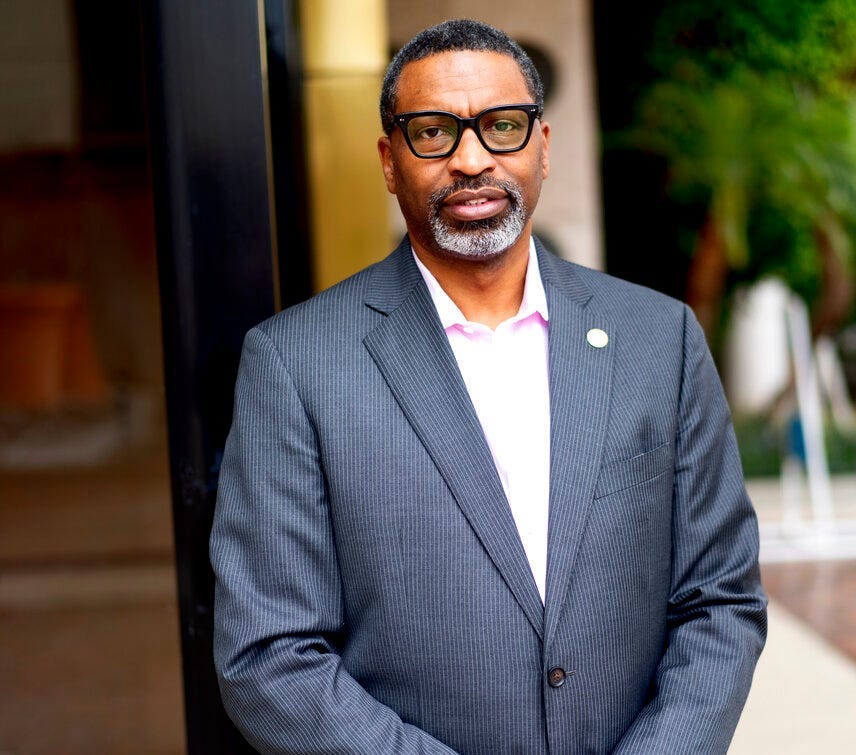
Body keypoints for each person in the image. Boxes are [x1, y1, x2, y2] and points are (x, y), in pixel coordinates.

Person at [211, 18, 767, 754]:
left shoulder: (657, 339)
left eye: (500, 127)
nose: (471, 159)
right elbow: (269, 653)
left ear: (541, 145)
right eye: (433, 132)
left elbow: (719, 598)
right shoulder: (297, 364)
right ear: (388, 159)